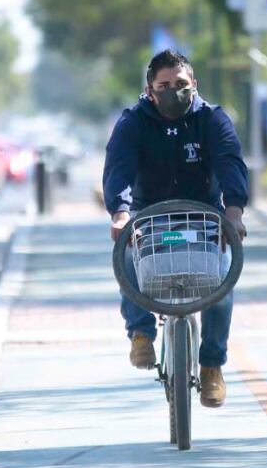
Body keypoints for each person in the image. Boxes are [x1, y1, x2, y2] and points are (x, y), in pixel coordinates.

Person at [103, 49, 249, 408]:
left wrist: (234, 213)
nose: (173, 92)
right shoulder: (133, 122)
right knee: (127, 254)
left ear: (194, 85)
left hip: (203, 214)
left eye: (181, 84)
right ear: (149, 90)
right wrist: (120, 214)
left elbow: (231, 164)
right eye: (164, 85)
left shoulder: (213, 120)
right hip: (149, 213)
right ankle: (140, 332)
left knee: (222, 278)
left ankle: (212, 365)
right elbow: (118, 168)